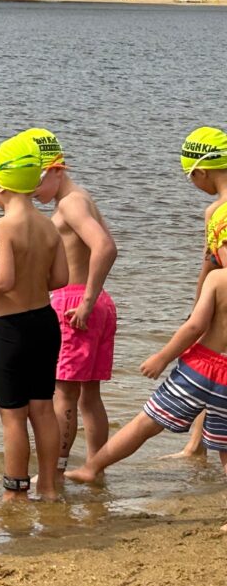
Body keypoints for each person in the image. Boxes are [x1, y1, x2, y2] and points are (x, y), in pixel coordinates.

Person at [67, 202, 227, 533]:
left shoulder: (218, 279)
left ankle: (92, 468)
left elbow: (195, 326)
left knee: (146, 422)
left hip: (199, 369)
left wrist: (162, 357)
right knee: (225, 447)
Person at [0, 131, 68, 501]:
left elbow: (2, 280)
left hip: (12, 328)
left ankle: (15, 491)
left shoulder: (0, 228)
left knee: (13, 415)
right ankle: (47, 486)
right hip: (46, 323)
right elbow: (60, 278)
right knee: (43, 408)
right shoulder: (49, 225)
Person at [30, 128, 118, 478]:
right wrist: (94, 299)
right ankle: (96, 466)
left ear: (56, 170)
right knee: (89, 396)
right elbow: (106, 243)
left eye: (36, 181)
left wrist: (86, 300)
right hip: (96, 303)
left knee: (64, 393)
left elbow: (105, 248)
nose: (32, 190)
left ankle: (55, 471)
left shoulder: (70, 203)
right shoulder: (83, 198)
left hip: (76, 304)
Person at [160, 127, 227, 461]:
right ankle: (197, 445)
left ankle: (196, 447)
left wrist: (199, 303)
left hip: (221, 298)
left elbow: (211, 263)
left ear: (201, 172)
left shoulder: (216, 211)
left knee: (209, 364)